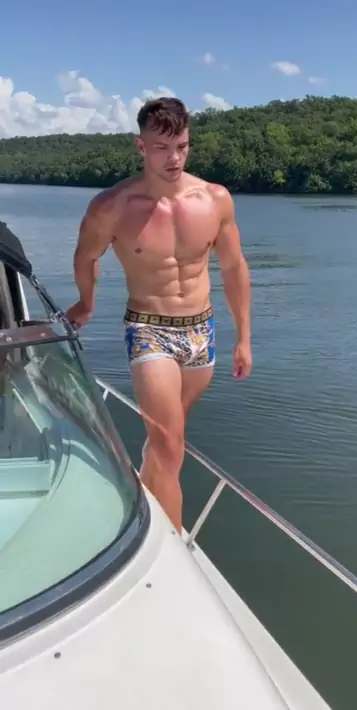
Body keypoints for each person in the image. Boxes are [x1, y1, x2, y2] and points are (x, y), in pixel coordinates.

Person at [66, 97, 252, 534]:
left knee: (165, 442)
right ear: (141, 146)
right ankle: (173, 544)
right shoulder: (113, 206)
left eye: (182, 147)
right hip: (149, 329)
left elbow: (233, 267)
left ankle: (144, 499)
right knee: (171, 446)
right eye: (162, 148)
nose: (174, 158)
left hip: (201, 332)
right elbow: (85, 257)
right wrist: (86, 303)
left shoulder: (215, 200)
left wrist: (244, 337)